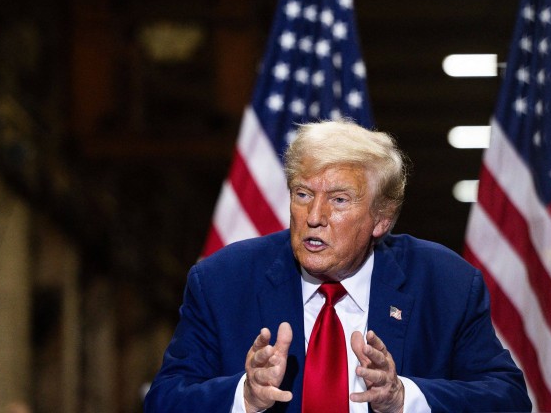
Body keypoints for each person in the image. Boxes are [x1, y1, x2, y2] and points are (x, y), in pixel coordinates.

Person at [145, 118, 531, 413]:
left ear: (381, 218)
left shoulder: (445, 284)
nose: (314, 216)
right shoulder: (222, 282)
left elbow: (508, 398)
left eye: (339, 200)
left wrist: (403, 398)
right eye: (303, 194)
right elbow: (164, 399)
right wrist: (244, 395)